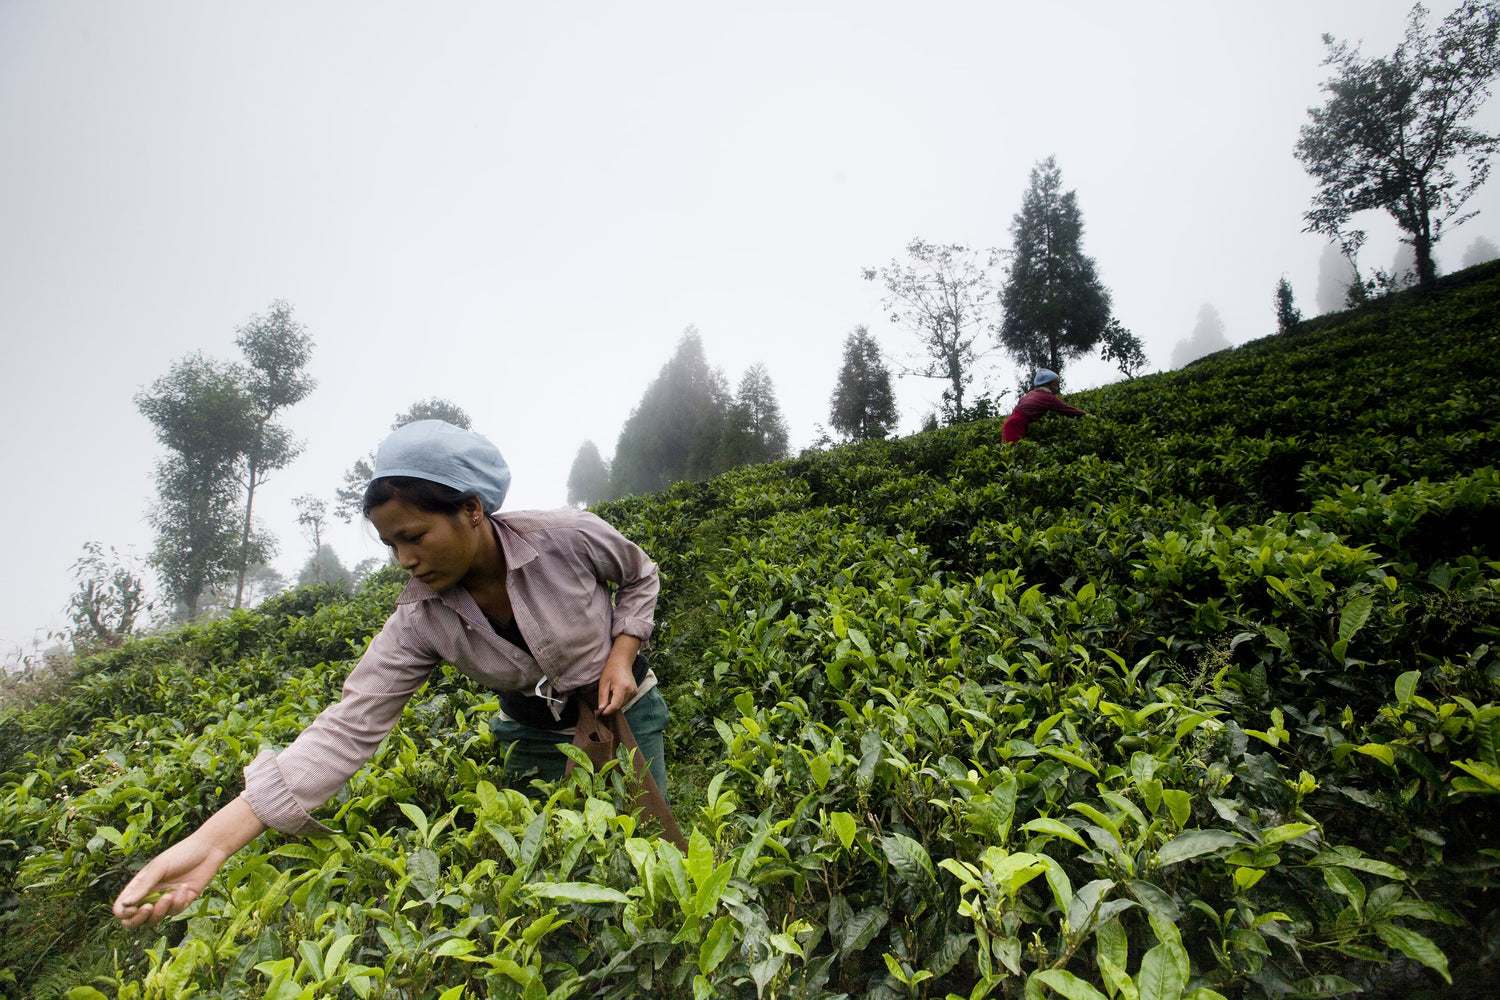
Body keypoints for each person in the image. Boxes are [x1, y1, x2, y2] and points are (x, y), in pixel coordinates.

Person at [112, 420, 666, 928]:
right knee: (560, 880)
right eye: (391, 544)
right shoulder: (421, 618)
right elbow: (349, 725)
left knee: (650, 854)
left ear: (472, 509)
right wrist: (213, 842)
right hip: (534, 734)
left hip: (625, 712)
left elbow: (640, 575)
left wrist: (621, 654)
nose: (404, 560)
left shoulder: (564, 536)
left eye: (415, 536)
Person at [1001, 369, 1088, 444]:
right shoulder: (1048, 397)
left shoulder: (1030, 394)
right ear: (1047, 385)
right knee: (1015, 452)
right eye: (1055, 385)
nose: (1057, 388)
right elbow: (1068, 410)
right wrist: (1087, 416)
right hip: (1016, 426)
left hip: (1009, 422)